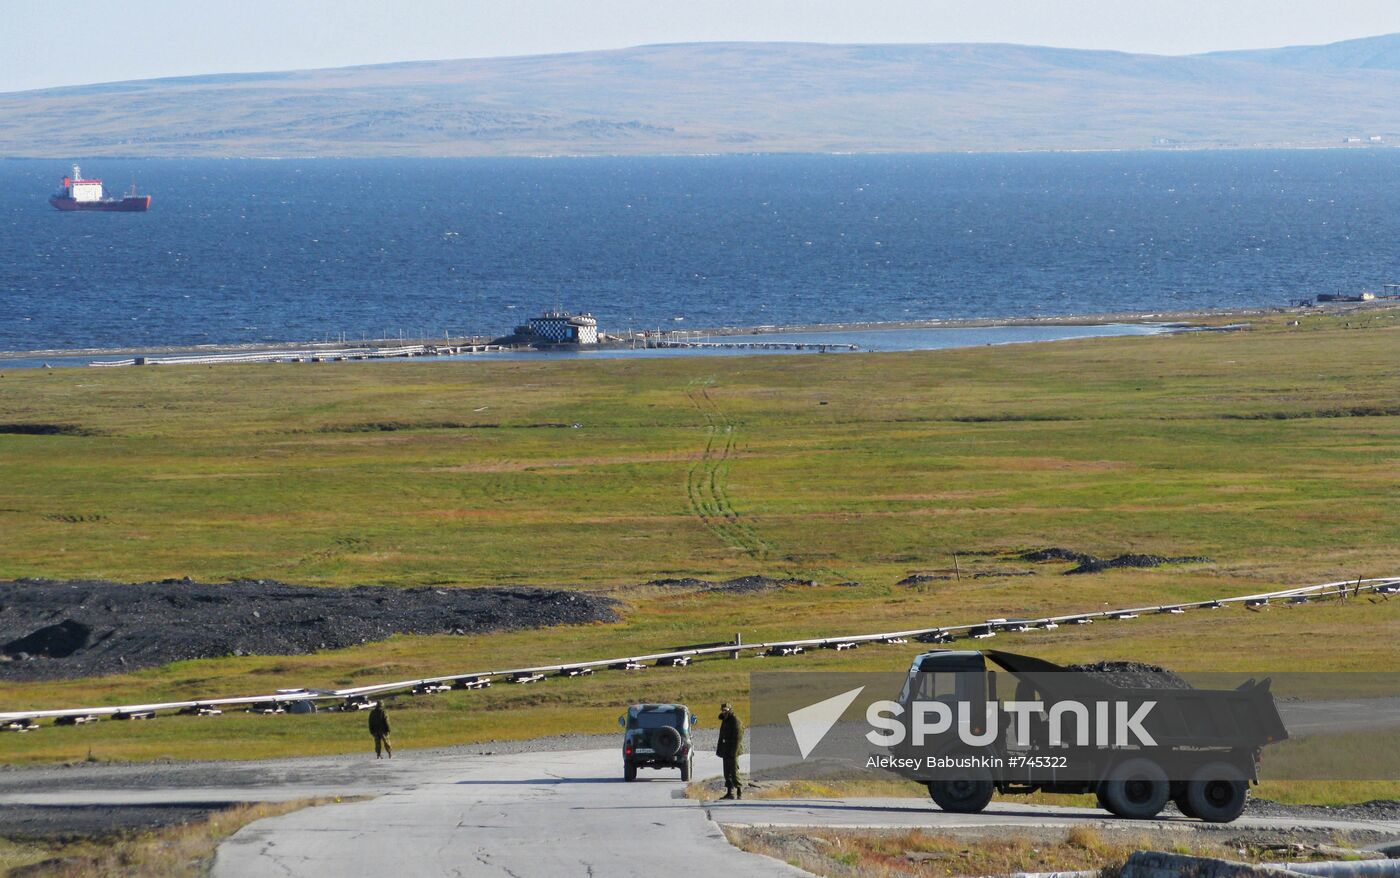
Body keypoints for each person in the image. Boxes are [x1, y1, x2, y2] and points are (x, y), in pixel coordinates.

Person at [716, 702, 743, 799]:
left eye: (726, 710)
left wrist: (733, 752)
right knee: (727, 772)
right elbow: (721, 736)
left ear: (730, 710)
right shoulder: (725, 720)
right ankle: (729, 792)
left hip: (733, 749)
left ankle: (739, 792)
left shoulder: (735, 721)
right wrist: (720, 749)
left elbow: (738, 738)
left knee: (734, 771)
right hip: (726, 749)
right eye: (722, 710)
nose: (724, 712)